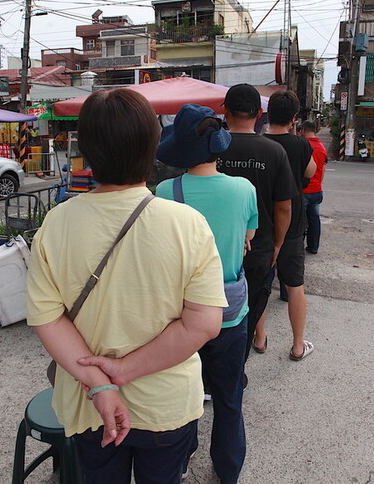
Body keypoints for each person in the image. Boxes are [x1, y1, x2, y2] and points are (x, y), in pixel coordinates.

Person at [27, 88, 227, 484]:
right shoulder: (187, 224)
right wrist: (125, 370)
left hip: (90, 403)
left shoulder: (56, 222)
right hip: (165, 404)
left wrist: (103, 384)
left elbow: (48, 319)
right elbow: (202, 325)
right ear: (153, 146)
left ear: (86, 149)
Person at [155, 104, 258, 484]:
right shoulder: (243, 189)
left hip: (181, 314)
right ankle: (228, 471)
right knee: (230, 399)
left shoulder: (166, 191)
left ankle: (179, 463)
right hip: (230, 311)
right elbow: (248, 240)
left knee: (184, 397)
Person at [217, 83, 298, 362]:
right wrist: (277, 244)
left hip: (213, 249)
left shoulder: (212, 148)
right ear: (260, 112)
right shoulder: (274, 152)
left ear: (225, 111)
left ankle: (207, 378)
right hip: (259, 249)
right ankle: (236, 372)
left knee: (207, 315)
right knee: (247, 317)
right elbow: (284, 206)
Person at [258, 90, 316, 361]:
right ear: (294, 119)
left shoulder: (259, 143)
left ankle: (259, 339)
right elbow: (311, 171)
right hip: (291, 227)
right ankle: (297, 345)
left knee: (260, 284)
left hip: (261, 224)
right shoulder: (301, 145)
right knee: (294, 286)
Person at [299, 120, 328, 255]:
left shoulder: (303, 146)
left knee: (301, 222)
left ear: (303, 130)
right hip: (317, 190)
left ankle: (299, 247)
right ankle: (313, 247)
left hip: (304, 191)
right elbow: (323, 170)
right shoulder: (322, 147)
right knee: (314, 219)